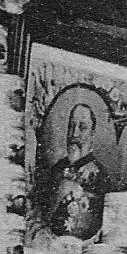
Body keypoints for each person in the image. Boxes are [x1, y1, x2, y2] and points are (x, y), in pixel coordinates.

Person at [45, 102, 106, 240]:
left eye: (82, 127)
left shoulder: (101, 175)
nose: (74, 133)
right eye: (71, 126)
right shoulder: (57, 169)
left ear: (92, 133)